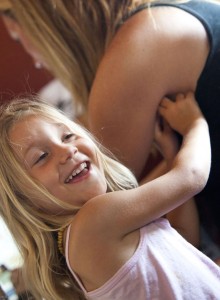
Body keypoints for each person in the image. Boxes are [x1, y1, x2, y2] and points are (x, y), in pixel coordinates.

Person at [0, 0, 220, 250]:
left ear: (46, 26)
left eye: (69, 136)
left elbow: (176, 186)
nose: (35, 59)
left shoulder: (134, 53)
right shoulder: (158, 19)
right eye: (41, 156)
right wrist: (191, 129)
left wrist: (190, 132)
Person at [0, 92, 219, 300]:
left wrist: (172, 155)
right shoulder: (93, 222)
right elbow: (191, 176)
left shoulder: (91, 234)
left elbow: (183, 239)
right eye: (42, 156)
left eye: (67, 136)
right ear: (25, 202)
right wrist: (194, 124)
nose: (67, 151)